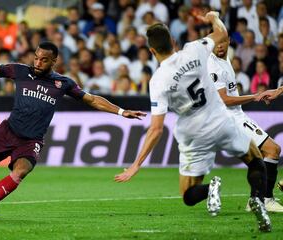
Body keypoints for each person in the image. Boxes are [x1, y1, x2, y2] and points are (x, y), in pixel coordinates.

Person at [0, 41, 146, 220]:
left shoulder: (63, 83)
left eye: (44, 60)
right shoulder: (21, 71)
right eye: (36, 58)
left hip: (31, 141)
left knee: (20, 171)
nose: (38, 63)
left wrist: (121, 111)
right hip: (7, 131)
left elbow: (92, 100)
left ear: (54, 61)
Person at [114, 12, 271, 232]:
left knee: (188, 195)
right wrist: (214, 17)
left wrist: (136, 165)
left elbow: (156, 129)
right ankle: (257, 199)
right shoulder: (194, 49)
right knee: (255, 160)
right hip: (220, 119)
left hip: (193, 134)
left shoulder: (157, 81)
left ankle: (211, 189)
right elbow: (222, 33)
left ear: (151, 51)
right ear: (173, 42)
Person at [207, 37, 283, 212]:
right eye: (215, 44)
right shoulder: (214, 67)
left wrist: (278, 90)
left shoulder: (224, 60)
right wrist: (255, 96)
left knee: (259, 159)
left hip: (235, 115)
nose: (218, 47)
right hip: (229, 118)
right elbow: (224, 99)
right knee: (272, 150)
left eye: (222, 43)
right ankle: (265, 199)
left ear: (228, 43)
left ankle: (255, 200)